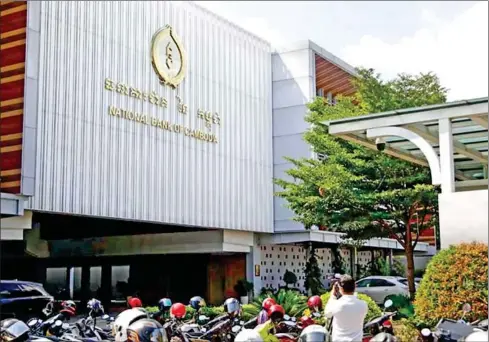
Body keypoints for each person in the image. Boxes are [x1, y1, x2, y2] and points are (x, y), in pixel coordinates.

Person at [324, 274, 368, 342]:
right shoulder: (363, 304)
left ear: (340, 288)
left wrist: (332, 295)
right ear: (354, 287)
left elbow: (327, 314)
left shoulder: (336, 304)